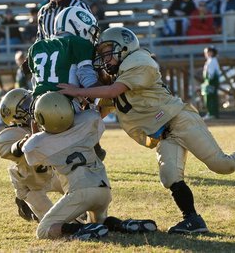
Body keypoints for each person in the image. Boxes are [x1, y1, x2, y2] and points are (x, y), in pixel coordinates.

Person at [59, 26, 235, 234]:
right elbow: (103, 106)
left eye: (108, 51)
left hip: (179, 120)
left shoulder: (139, 61)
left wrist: (78, 91)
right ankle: (193, 220)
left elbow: (112, 92)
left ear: (125, 46)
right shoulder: (120, 74)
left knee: (222, 164)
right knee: (169, 176)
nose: (105, 58)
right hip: (164, 133)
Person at [22, 91, 157, 240]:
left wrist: (34, 126)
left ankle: (80, 229)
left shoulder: (36, 144)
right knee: (98, 223)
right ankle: (122, 225)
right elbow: (90, 117)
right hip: (103, 189)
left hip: (79, 191)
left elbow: (31, 157)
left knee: (43, 230)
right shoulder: (89, 120)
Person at [27, 6, 106, 160]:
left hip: (37, 110)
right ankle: (90, 150)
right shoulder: (79, 44)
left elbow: (36, 83)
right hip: (64, 107)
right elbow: (87, 80)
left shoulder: (36, 47)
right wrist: (109, 90)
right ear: (77, 26)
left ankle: (34, 138)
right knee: (93, 115)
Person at [0, 88, 64, 222]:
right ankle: (25, 203)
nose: (31, 106)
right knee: (54, 221)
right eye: (26, 105)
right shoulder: (14, 133)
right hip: (30, 184)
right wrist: (23, 143)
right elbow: (7, 149)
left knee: (80, 203)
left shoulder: (45, 121)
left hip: (53, 174)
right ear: (14, 115)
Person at [201, 46, 221, 119]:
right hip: (209, 82)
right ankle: (212, 113)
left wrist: (209, 82)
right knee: (210, 98)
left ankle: (212, 113)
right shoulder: (211, 60)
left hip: (211, 82)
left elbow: (211, 74)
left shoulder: (212, 60)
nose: (205, 54)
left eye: (207, 52)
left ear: (211, 52)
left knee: (210, 98)